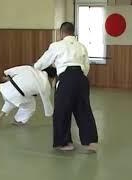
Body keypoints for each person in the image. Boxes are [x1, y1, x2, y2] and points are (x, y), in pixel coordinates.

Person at [34, 22, 98, 152]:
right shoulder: (81, 46)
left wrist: (36, 67)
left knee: (62, 111)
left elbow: (41, 64)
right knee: (84, 110)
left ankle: (65, 143)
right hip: (81, 78)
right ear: (73, 32)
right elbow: (87, 66)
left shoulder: (57, 45)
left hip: (66, 79)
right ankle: (90, 143)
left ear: (61, 33)